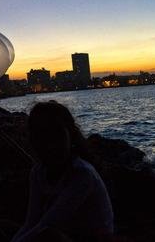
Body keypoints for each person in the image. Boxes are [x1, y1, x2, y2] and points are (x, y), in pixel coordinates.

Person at [11, 101, 114, 242]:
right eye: (42, 137)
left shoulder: (82, 174)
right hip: (68, 233)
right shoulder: (38, 172)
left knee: (49, 235)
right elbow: (31, 221)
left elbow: (48, 223)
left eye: (57, 135)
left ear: (71, 136)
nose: (51, 145)